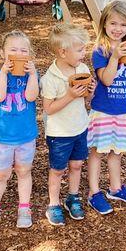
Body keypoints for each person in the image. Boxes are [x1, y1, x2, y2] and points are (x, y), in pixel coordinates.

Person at [0, 30, 39, 228]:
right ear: (3, 54)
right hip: (2, 137)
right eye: (13, 50)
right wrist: (3, 72)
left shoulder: (32, 76)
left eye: (23, 50)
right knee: (1, 174)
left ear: (29, 55)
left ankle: (24, 207)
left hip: (26, 136)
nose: (18, 54)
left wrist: (34, 74)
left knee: (24, 171)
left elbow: (30, 97)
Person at [86, 0, 126, 214]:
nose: (117, 29)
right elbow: (107, 80)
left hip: (123, 112)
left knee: (116, 151)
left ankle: (115, 187)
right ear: (104, 25)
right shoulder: (100, 51)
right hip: (103, 110)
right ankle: (94, 192)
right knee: (97, 152)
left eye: (122, 25)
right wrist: (115, 57)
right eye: (113, 24)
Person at [40, 24, 95, 225]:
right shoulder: (50, 78)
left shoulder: (82, 69)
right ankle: (53, 203)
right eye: (80, 50)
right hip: (59, 132)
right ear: (63, 52)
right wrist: (70, 95)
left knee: (77, 164)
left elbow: (88, 99)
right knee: (57, 169)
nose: (84, 53)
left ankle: (73, 197)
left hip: (80, 127)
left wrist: (90, 90)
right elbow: (49, 109)